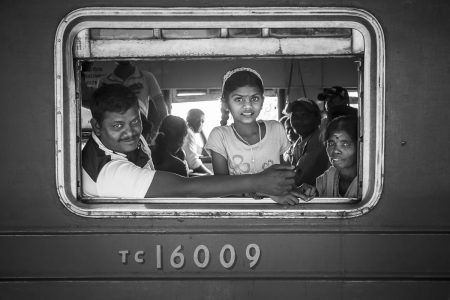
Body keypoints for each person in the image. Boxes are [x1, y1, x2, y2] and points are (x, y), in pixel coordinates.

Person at [81, 84, 296, 201]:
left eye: (135, 121)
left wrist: (263, 190)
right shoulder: (108, 172)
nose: (130, 132)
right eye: (117, 126)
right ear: (97, 126)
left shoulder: (131, 142)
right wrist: (257, 182)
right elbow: (184, 188)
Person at [205, 67, 297, 204]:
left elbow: (283, 177)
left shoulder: (276, 129)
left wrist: (297, 188)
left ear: (262, 100)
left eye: (254, 98)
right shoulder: (220, 136)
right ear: (225, 103)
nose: (247, 106)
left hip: (276, 211)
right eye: (238, 99)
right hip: (237, 214)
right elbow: (221, 188)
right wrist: (264, 192)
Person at [98, 61, 168, 141]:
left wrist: (154, 132)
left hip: (137, 128)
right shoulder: (104, 81)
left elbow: (162, 109)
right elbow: (98, 112)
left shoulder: (147, 77)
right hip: (117, 130)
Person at [296, 115, 358, 200]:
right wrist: (307, 193)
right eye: (331, 144)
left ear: (360, 147)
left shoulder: (369, 182)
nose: (335, 150)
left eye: (345, 144)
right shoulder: (328, 177)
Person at [286, 98, 330, 187]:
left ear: (317, 118)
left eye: (304, 115)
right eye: (295, 115)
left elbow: (298, 178)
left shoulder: (319, 141)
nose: (299, 120)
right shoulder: (298, 143)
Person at [182, 108, 213, 175]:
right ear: (197, 120)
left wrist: (201, 132)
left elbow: (205, 152)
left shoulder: (189, 134)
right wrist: (210, 175)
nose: (202, 125)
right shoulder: (188, 135)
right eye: (202, 121)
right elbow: (193, 163)